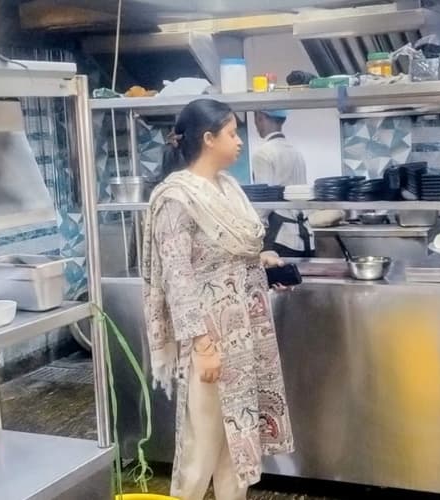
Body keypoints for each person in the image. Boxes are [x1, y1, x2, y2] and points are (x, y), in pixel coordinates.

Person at [142, 99, 294, 500]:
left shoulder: (227, 188)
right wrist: (203, 346)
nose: (239, 141)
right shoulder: (176, 199)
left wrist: (260, 260)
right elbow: (178, 278)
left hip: (243, 335)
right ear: (208, 139)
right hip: (209, 338)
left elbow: (227, 252)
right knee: (202, 448)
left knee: (236, 442)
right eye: (231, 133)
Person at [251, 110, 314, 257]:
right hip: (306, 237)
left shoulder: (262, 153)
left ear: (259, 117)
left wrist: (253, 232)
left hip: (280, 239)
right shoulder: (296, 152)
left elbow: (265, 202)